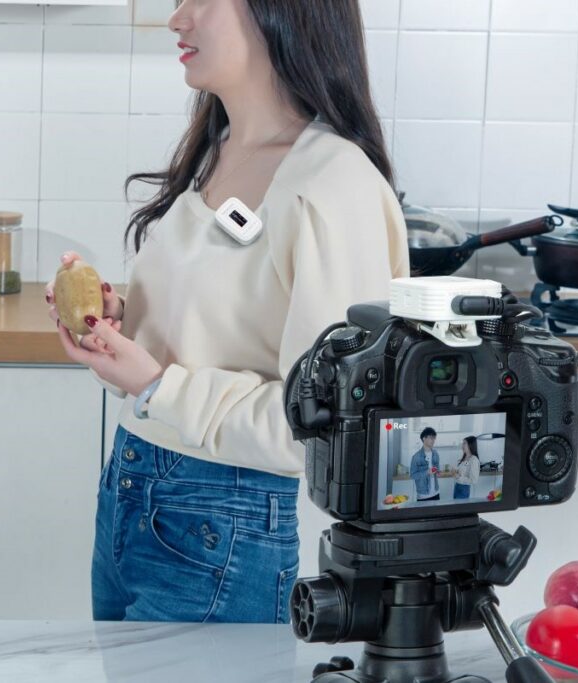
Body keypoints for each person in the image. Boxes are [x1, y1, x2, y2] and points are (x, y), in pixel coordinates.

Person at [46, 0, 408, 622]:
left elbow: (330, 427)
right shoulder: (220, 148)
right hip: (133, 487)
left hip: (221, 522)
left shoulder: (333, 186)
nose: (177, 19)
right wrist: (124, 327)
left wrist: (159, 385)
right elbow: (227, 332)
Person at [410, 428, 442, 503]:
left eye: (434, 438)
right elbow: (413, 475)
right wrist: (427, 472)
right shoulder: (416, 457)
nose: (433, 440)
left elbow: (437, 469)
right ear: (424, 438)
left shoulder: (435, 454)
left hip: (436, 493)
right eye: (431, 438)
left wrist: (438, 472)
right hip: (423, 495)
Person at [452, 436, 481, 500]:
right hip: (457, 486)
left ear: (470, 445)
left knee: (460, 509)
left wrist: (458, 477)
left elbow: (474, 480)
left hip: (464, 489)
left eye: (464, 443)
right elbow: (460, 471)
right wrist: (455, 470)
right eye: (462, 443)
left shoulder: (474, 460)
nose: (462, 445)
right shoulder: (463, 458)